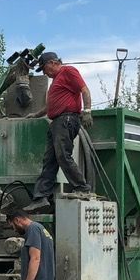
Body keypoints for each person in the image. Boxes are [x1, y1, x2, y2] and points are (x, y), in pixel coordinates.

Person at [30, 51, 92, 208]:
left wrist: (87, 111)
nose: (44, 72)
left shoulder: (68, 71)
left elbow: (85, 90)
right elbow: (50, 106)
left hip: (66, 119)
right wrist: (36, 115)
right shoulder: (56, 81)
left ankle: (82, 188)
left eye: (44, 68)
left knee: (63, 155)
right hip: (57, 122)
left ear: (52, 63)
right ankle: (41, 197)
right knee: (49, 160)